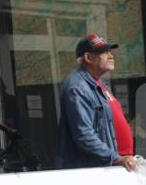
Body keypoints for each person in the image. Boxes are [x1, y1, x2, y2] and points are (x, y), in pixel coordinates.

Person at [56, 34, 138, 172]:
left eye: (110, 52)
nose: (111, 56)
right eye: (104, 52)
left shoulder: (98, 84)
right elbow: (84, 135)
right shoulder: (77, 87)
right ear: (88, 58)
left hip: (114, 166)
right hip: (96, 170)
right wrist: (115, 158)